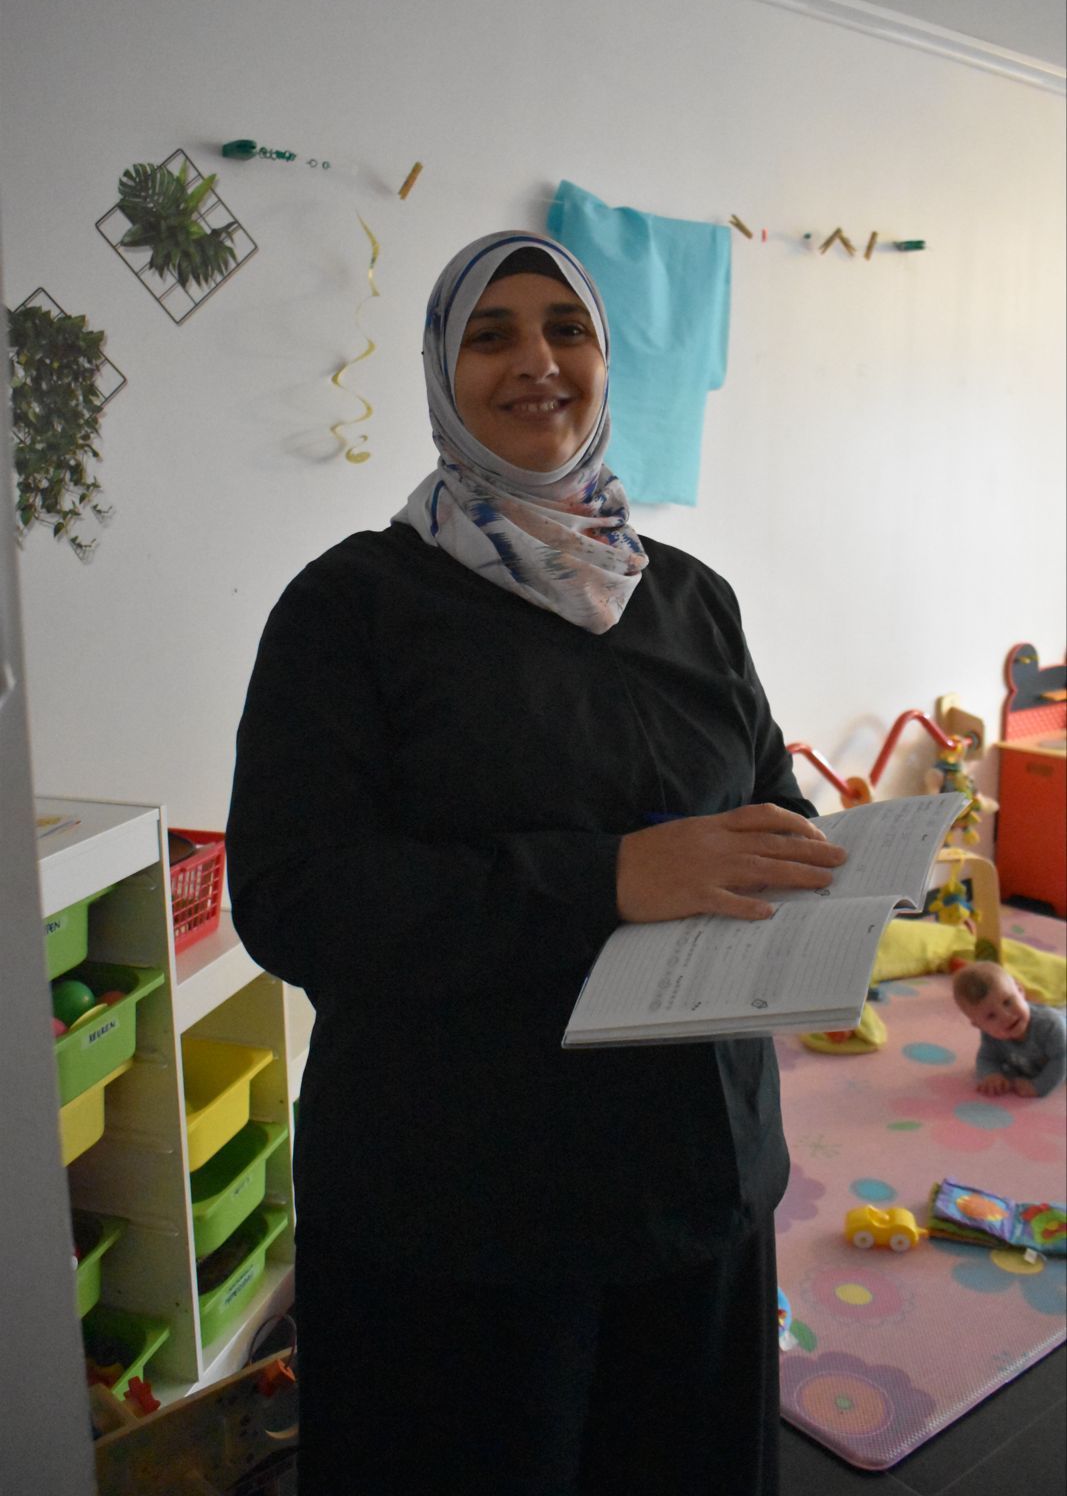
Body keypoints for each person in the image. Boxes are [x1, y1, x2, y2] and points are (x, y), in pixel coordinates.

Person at [226, 230, 848, 1496]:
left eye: (565, 330)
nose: (536, 362)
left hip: (696, 1190)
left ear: (605, 362)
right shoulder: (352, 608)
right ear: (439, 372)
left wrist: (830, 872)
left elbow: (766, 805)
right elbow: (296, 899)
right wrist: (607, 878)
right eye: (490, 333)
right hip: (460, 1217)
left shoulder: (689, 599)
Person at [952, 960, 1067, 1098]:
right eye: (991, 1016)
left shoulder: (1050, 1026)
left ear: (1020, 991)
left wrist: (1038, 1086)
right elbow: (986, 1059)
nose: (1006, 1017)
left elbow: (1062, 1059)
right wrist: (992, 1074)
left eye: (1007, 1002)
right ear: (979, 1025)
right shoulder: (991, 1035)